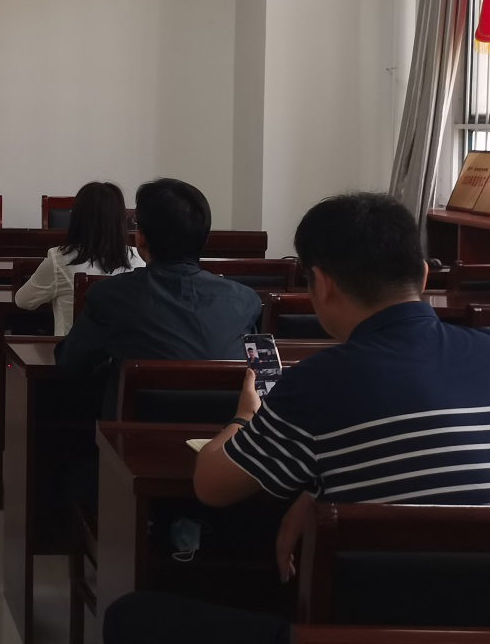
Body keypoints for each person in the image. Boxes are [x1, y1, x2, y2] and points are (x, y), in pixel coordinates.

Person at [105, 192, 490, 644]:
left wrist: (244, 417)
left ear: (321, 283)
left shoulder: (318, 383)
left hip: (363, 634)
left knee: (131, 616)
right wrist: (314, 493)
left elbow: (211, 486)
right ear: (423, 275)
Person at [55, 177, 260, 415]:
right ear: (205, 239)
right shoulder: (246, 301)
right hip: (227, 434)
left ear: (140, 237)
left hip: (131, 436)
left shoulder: (109, 296)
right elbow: (261, 376)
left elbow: (70, 363)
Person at [14, 181, 144, 336]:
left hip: (73, 351)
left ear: (77, 217)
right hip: (125, 350)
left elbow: (23, 301)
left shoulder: (59, 259)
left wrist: (55, 293)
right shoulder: (140, 259)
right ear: (121, 219)